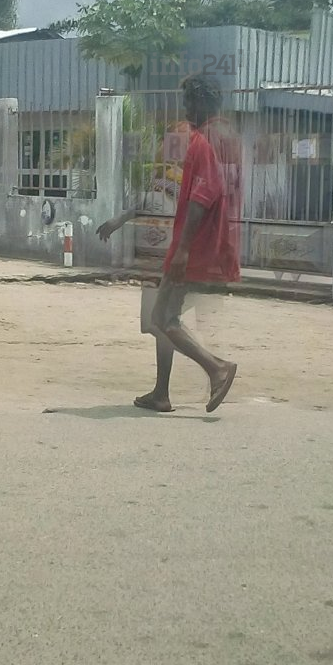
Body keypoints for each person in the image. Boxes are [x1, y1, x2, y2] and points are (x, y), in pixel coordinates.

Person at [97, 73, 241, 413]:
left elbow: (200, 195)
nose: (185, 110)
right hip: (195, 245)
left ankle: (217, 369)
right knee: (165, 318)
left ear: (201, 102)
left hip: (185, 247)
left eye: (189, 102)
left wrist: (183, 250)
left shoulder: (201, 143)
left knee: (162, 318)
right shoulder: (221, 138)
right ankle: (163, 391)